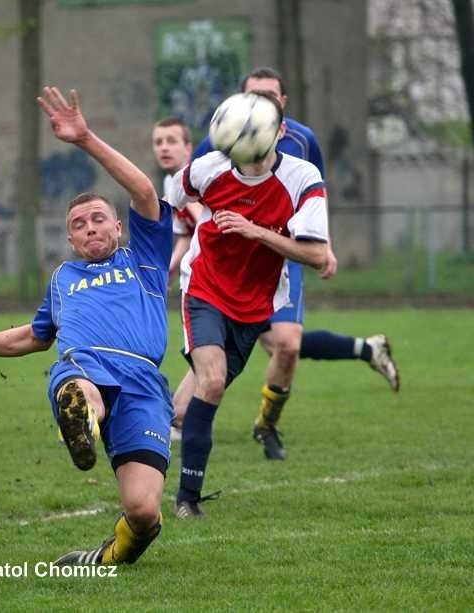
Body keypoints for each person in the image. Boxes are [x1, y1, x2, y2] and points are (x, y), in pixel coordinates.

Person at [0, 86, 174, 566]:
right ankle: (81, 417)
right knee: (81, 388)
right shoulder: (62, 279)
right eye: (79, 224)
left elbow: (143, 190)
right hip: (84, 366)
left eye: (99, 219)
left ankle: (105, 555)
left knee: (142, 511)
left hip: (144, 383)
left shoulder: (145, 258)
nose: (91, 228)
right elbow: (35, 336)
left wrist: (84, 139)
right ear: (70, 238)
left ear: (118, 227)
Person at [177, 66, 399, 463]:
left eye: (269, 94)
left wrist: (323, 247)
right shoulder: (224, 132)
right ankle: (366, 349)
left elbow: (316, 198)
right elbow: (191, 188)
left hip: (282, 254)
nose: (261, 100)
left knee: (287, 344)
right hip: (225, 264)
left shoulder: (301, 139)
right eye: (253, 94)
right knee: (245, 350)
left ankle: (266, 427)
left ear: (283, 103)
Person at [167, 90, 330, 517]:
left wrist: (256, 232)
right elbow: (169, 197)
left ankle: (134, 416)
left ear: (280, 131)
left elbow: (315, 255)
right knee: (212, 381)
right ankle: (188, 499)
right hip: (203, 287)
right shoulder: (207, 169)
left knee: (201, 395)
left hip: (257, 304)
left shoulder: (303, 178)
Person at [151, 117, 202, 286]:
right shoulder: (169, 182)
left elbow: (206, 224)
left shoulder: (201, 178)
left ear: (188, 148)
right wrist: (170, 268)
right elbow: (187, 233)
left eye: (171, 141)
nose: (164, 148)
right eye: (158, 142)